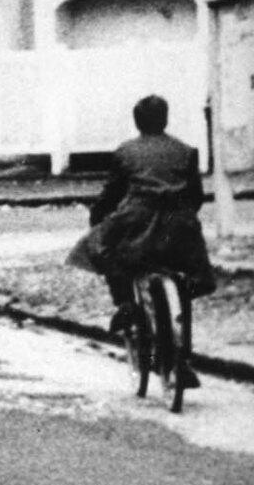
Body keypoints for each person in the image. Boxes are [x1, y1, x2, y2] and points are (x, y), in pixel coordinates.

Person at [66, 93, 217, 381]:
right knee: (185, 283)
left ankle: (124, 304)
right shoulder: (186, 151)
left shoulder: (125, 152)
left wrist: (98, 217)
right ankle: (182, 357)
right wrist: (182, 217)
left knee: (101, 245)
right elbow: (196, 196)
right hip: (178, 230)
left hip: (137, 225)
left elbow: (111, 195)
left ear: (137, 121)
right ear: (165, 119)